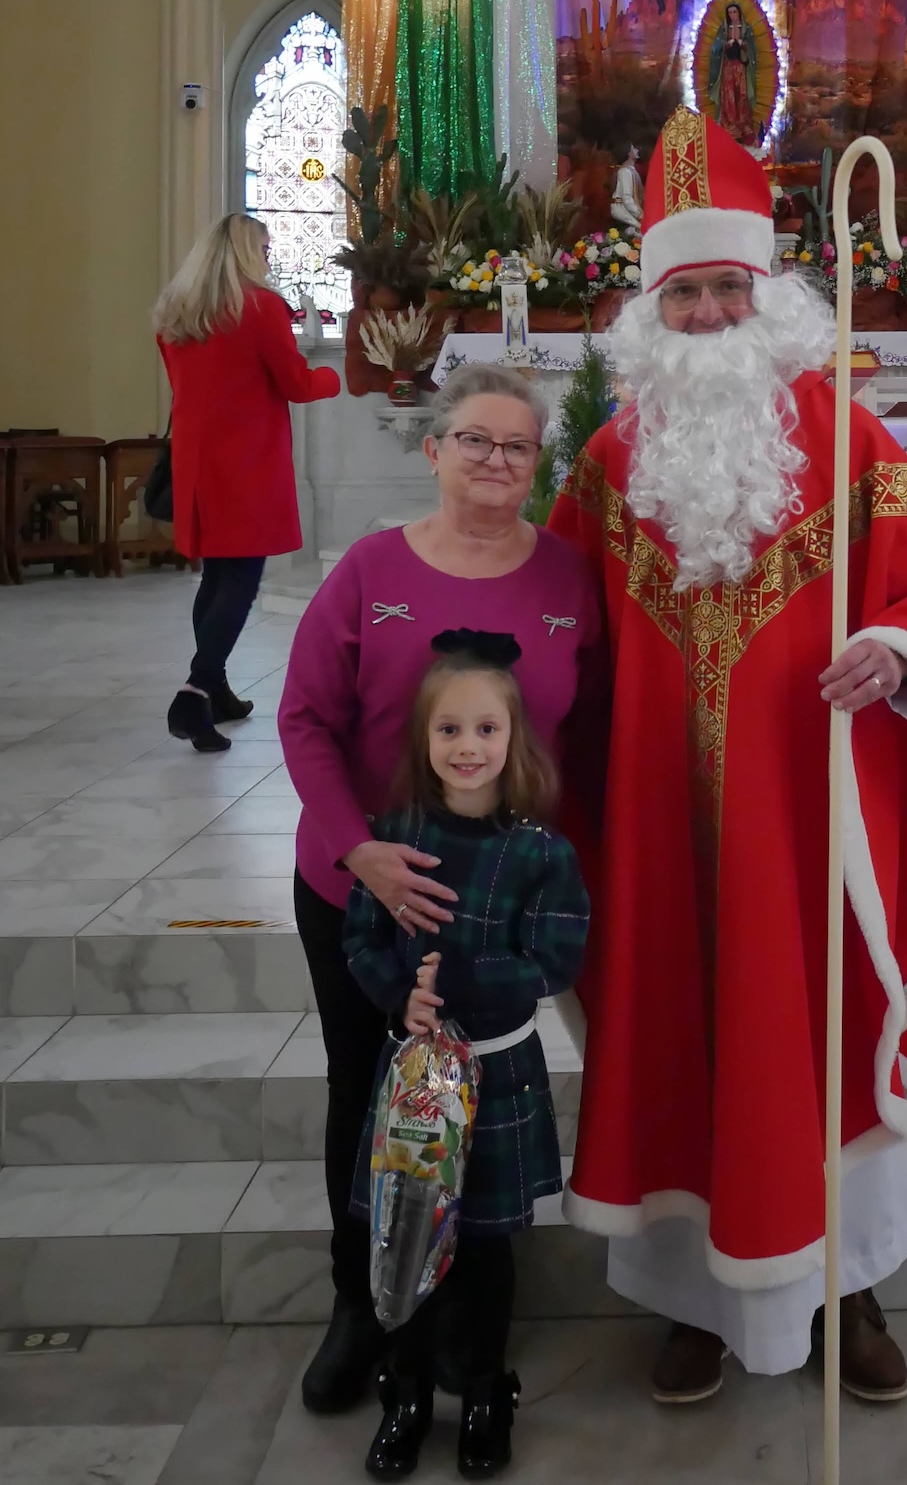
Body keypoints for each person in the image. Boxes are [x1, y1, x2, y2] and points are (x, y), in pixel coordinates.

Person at [548, 108, 907, 1406]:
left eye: (727, 287)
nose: (706, 313)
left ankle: (848, 1284)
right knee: (678, 1034)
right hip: (659, 821)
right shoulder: (608, 463)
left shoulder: (847, 440)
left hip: (805, 821)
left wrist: (897, 651)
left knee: (815, 1027)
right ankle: (698, 1301)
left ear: (767, 292)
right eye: (682, 293)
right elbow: (552, 624)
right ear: (649, 308)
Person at [278, 362, 603, 1419]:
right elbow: (304, 718)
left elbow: (592, 728)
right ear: (433, 448)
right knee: (366, 1092)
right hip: (360, 886)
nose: (494, 460)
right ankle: (361, 1303)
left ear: (536, 462)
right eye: (474, 439)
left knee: (479, 1103)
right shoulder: (371, 569)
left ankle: (468, 1321)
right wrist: (358, 852)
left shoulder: (568, 580)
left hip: (496, 901)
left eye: (516, 446)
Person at [345, 628, 589, 1479]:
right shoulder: (395, 838)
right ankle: (406, 1390)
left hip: (496, 1073)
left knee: (484, 1246)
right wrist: (398, 993)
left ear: (514, 738)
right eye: (448, 728)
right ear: (423, 737)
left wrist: (462, 978)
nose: (467, 746)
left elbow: (555, 959)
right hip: (414, 1081)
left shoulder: (541, 854)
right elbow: (360, 938)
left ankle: (486, 1389)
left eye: (486, 728)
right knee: (402, 1234)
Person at [154, 213, 340, 753]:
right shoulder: (259, 306)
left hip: (197, 461)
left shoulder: (177, 313)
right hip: (246, 461)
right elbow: (296, 383)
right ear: (244, 253)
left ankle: (216, 689)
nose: (268, 257)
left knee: (216, 576)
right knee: (240, 579)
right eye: (263, 248)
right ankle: (193, 694)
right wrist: (334, 376)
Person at [706, 0, 759, 150]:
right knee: (728, 97)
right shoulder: (723, 30)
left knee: (742, 96)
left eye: (735, 12)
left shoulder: (746, 29)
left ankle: (743, 128)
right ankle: (729, 129)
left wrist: (744, 45)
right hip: (728, 68)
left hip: (741, 68)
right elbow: (715, 48)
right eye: (730, 12)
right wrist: (725, 45)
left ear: (739, 13)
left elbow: (753, 51)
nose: (732, 15)